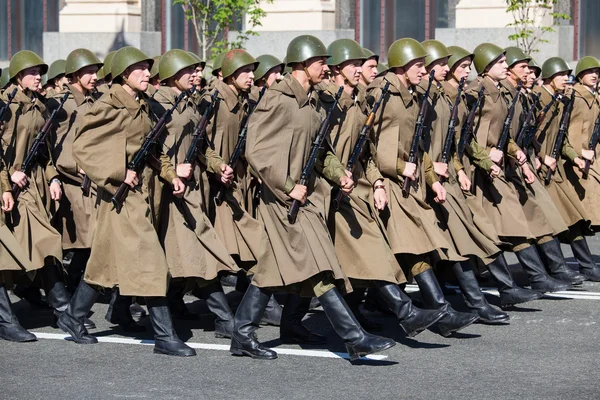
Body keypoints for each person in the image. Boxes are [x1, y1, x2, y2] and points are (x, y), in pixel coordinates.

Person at [233, 34, 395, 361]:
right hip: (281, 199)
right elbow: (256, 150)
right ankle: (355, 338)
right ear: (303, 64)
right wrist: (286, 184)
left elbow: (321, 152)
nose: (326, 67)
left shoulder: (312, 103)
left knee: (272, 266)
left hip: (301, 197)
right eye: (321, 62)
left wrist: (339, 175)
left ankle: (242, 334)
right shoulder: (278, 99)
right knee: (319, 265)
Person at [59, 46, 195, 357]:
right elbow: (83, 148)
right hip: (121, 195)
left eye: (149, 67)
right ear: (124, 74)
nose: (149, 72)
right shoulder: (108, 105)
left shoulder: (144, 105)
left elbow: (153, 150)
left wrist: (169, 173)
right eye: (141, 68)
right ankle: (165, 336)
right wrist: (118, 172)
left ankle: (73, 316)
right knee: (150, 259)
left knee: (104, 262)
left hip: (142, 192)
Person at [324, 38, 445, 333]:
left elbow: (364, 150)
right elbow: (317, 150)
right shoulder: (328, 100)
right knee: (329, 264)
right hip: (328, 190)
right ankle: (404, 314)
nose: (361, 69)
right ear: (337, 69)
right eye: (353, 64)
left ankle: (361, 321)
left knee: (363, 255)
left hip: (355, 186)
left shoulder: (356, 100)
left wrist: (376, 180)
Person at [367, 38, 478, 337]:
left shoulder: (413, 95)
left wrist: (430, 179)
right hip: (388, 182)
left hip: (410, 182)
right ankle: (440, 312)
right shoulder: (382, 93)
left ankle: (435, 312)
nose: (424, 70)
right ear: (402, 66)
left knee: (420, 246)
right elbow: (367, 143)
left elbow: (420, 146)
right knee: (411, 247)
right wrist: (383, 177)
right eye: (418, 65)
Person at [465, 43, 571, 293]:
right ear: (487, 67)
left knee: (516, 219)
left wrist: (516, 153)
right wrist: (485, 154)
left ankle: (536, 276)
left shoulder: (501, 93)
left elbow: (505, 133)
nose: (505, 66)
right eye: (501, 63)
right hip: (479, 169)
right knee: (490, 227)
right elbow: (465, 133)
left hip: (498, 166)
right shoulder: (475, 91)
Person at [443, 45, 543, 308]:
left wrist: (506, 151)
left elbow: (470, 137)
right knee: (469, 232)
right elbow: (454, 141)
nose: (505, 66)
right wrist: (471, 165)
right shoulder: (468, 93)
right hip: (459, 171)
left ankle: (507, 287)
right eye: (462, 67)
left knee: (483, 229)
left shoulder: (468, 94)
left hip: (471, 168)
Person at [150, 48, 239, 337]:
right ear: (173, 74)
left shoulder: (189, 102)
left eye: (198, 70)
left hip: (191, 187)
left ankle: (129, 306)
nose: (196, 75)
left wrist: (217, 165)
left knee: (178, 251)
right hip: (170, 191)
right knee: (196, 248)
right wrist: (174, 170)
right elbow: (150, 150)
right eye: (190, 70)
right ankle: (224, 319)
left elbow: (201, 146)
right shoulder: (157, 104)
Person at [418, 39, 509, 322]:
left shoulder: (443, 96)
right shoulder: (424, 97)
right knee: (421, 247)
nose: (446, 69)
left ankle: (471, 301)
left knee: (460, 236)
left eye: (448, 64)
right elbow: (414, 145)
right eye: (441, 64)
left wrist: (457, 169)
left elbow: (452, 142)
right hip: (425, 179)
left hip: (445, 178)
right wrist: (433, 172)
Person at [501, 47, 585, 286]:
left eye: (532, 70)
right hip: (505, 167)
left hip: (521, 163)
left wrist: (535, 154)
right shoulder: (504, 95)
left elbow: (530, 134)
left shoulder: (524, 96)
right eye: (524, 68)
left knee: (541, 215)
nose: (529, 73)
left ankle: (552, 270)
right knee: (516, 224)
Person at [1, 50, 71, 324]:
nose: (38, 77)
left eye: (40, 73)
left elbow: (45, 151)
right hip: (12, 185)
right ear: (18, 77)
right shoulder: (6, 107)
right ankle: (65, 313)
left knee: (36, 245)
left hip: (33, 183)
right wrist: (7, 180)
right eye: (32, 73)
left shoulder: (39, 107)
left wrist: (54, 177)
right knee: (43, 242)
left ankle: (63, 312)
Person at [47, 48, 104, 330]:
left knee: (88, 246)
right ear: (74, 75)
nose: (94, 77)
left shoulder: (95, 100)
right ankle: (68, 303)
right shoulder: (64, 105)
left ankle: (71, 301)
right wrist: (82, 168)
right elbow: (60, 150)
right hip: (74, 186)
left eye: (96, 71)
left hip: (92, 184)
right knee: (85, 244)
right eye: (89, 72)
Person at [533, 57, 598, 281]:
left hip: (553, 167)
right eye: (561, 75)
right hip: (538, 168)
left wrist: (574, 157)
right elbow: (531, 134)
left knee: (572, 217)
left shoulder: (559, 101)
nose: (565, 79)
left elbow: (560, 140)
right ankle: (555, 269)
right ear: (549, 78)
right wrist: (539, 157)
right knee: (552, 220)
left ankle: (581, 266)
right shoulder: (540, 99)